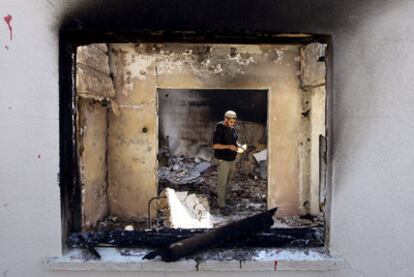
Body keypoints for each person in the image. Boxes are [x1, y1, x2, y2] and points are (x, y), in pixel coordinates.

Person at [212, 110, 240, 215]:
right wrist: (229, 147)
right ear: (226, 119)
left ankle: (226, 199)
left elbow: (234, 142)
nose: (233, 123)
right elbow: (215, 146)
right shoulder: (219, 129)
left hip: (232, 159)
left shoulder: (231, 129)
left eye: (234, 121)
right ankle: (221, 205)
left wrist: (239, 145)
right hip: (223, 160)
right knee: (222, 183)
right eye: (231, 121)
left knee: (229, 181)